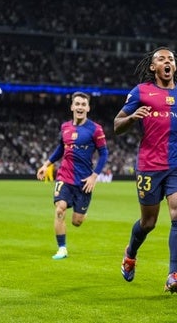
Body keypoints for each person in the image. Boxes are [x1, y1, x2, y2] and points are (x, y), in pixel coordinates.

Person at [113, 46, 177, 294]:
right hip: (150, 165)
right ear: (153, 67)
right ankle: (130, 253)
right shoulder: (141, 92)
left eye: (170, 59)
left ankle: (173, 273)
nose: (167, 61)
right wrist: (132, 118)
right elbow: (117, 125)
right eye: (161, 59)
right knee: (148, 222)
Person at [36, 91, 108, 260]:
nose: (80, 107)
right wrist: (46, 165)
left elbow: (104, 153)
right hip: (64, 177)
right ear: (72, 106)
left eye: (83, 104)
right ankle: (62, 248)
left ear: (88, 108)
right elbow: (61, 148)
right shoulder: (65, 127)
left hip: (83, 181)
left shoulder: (95, 129)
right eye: (77, 104)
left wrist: (94, 176)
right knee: (60, 209)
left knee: (77, 222)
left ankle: (80, 212)